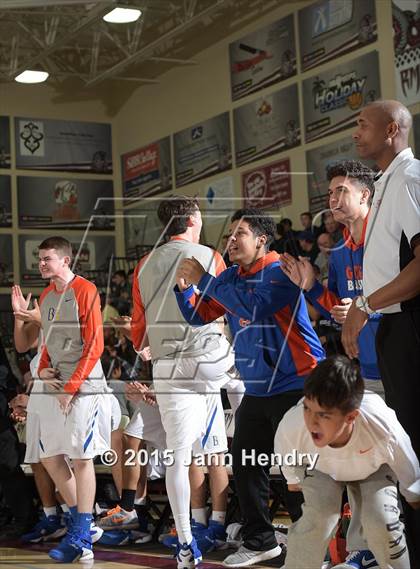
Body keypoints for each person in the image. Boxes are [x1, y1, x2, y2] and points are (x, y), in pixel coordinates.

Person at [176, 208, 325, 567]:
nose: (231, 240)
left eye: (239, 233)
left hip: (297, 384)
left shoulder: (280, 271)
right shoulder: (230, 276)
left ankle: (312, 549)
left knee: (298, 469)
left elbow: (254, 308)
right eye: (229, 234)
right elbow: (199, 315)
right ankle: (261, 540)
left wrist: (207, 281)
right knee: (245, 464)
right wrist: (184, 290)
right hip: (258, 389)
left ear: (261, 239)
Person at [130, 196, 241, 569]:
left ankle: (185, 541)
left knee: (180, 456)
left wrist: (150, 345)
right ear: (193, 219)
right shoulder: (210, 255)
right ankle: (223, 523)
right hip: (208, 360)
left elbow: (138, 333)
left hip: (168, 367)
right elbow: (228, 305)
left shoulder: (144, 265)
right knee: (217, 440)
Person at [342, 99, 420, 567]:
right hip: (394, 325)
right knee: (406, 450)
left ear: (392, 129)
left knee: (414, 447)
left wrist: (366, 304)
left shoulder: (410, 178)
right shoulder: (387, 183)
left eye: (362, 124)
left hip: (409, 322)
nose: (355, 132)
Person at [275, 355, 420, 569]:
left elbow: (408, 464)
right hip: (319, 466)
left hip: (373, 467)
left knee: (381, 521)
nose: (312, 422)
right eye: (307, 408)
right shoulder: (293, 423)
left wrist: (413, 492)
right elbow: (286, 451)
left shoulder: (382, 425)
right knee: (318, 520)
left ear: (351, 417)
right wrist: (292, 477)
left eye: (323, 415)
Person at [35, 236, 111, 563]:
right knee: (49, 455)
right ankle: (86, 523)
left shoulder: (85, 290)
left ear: (65, 261)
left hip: (86, 382)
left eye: (47, 258)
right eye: (40, 259)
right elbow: (48, 344)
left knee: (81, 458)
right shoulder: (45, 295)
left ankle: (80, 535)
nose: (41, 263)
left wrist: (70, 388)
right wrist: (41, 370)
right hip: (58, 382)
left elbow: (95, 346)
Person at [281, 160, 383, 394]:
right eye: (330, 193)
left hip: (403, 361)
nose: (332, 200)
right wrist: (311, 287)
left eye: (342, 191)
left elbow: (408, 296)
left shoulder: (388, 237)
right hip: (366, 368)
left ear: (364, 195)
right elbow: (337, 311)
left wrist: (363, 309)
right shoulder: (338, 252)